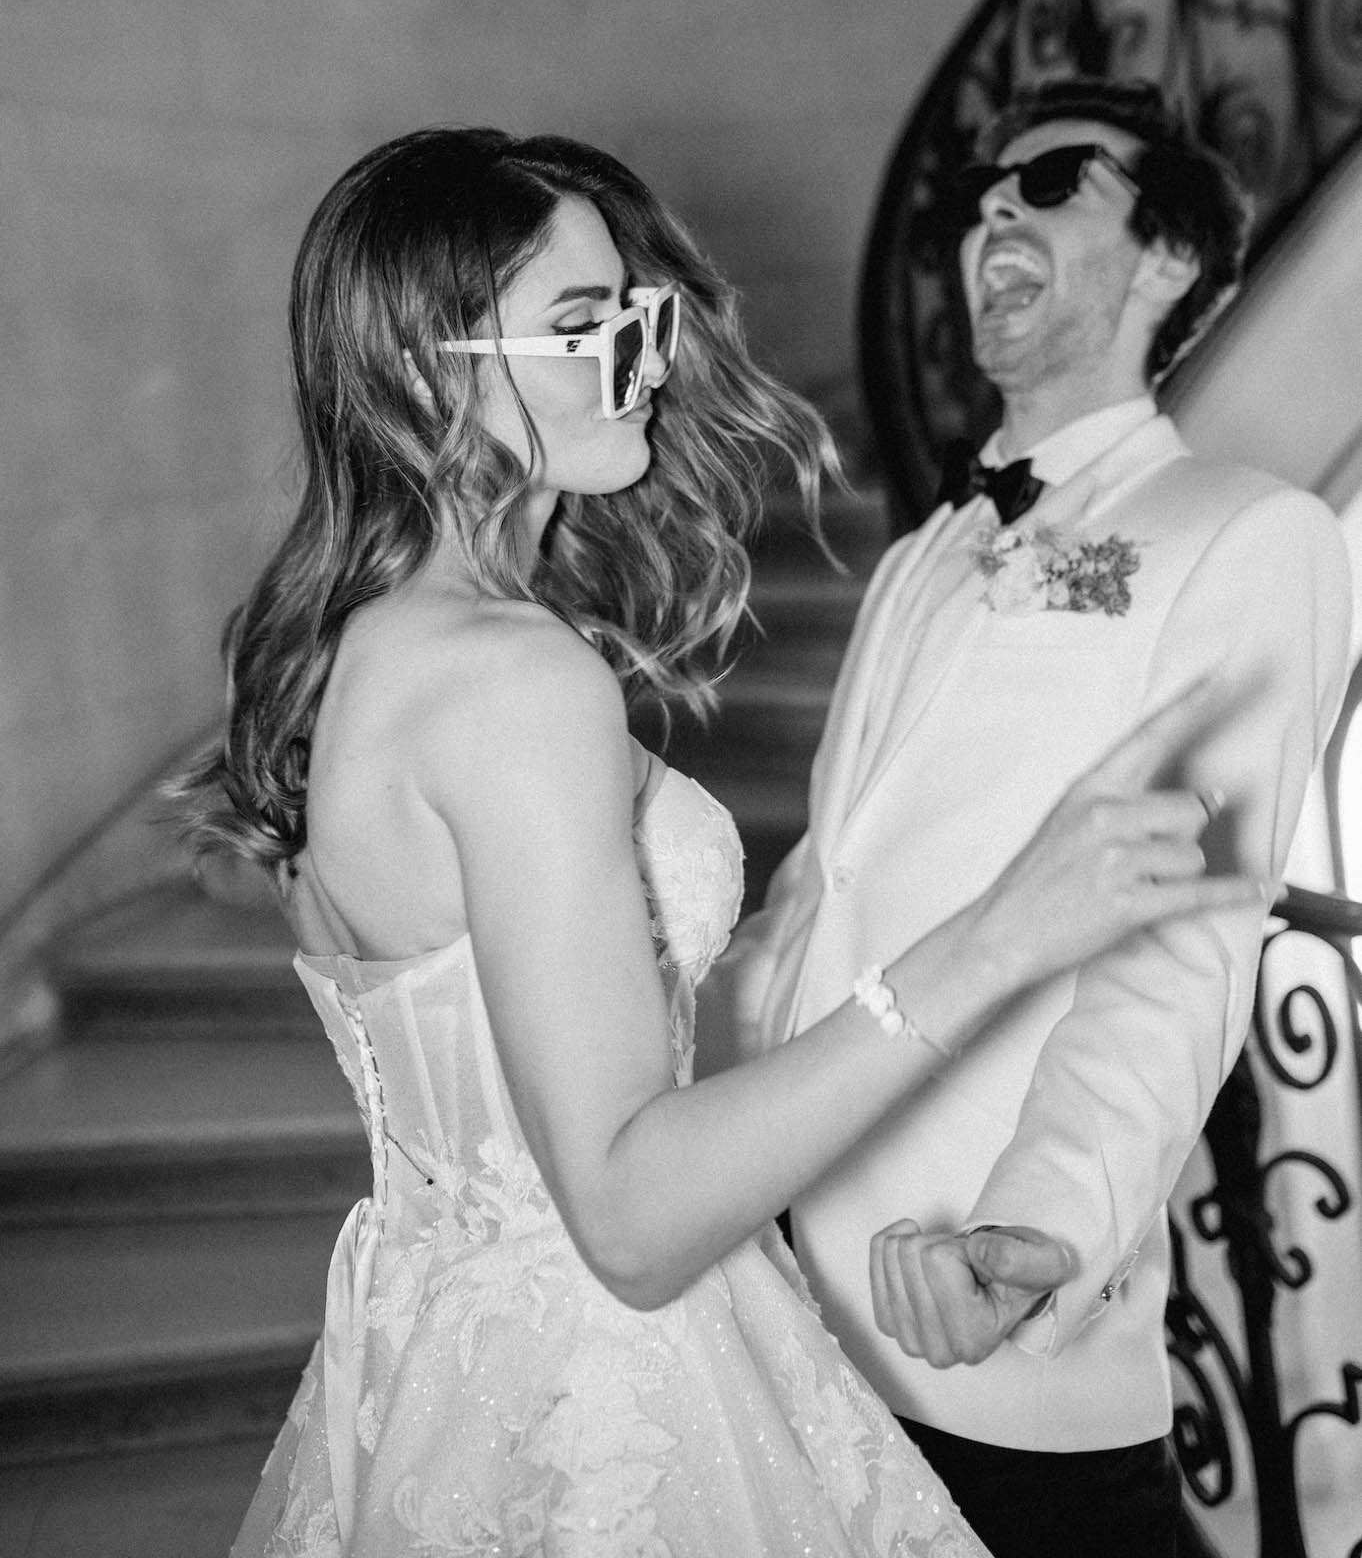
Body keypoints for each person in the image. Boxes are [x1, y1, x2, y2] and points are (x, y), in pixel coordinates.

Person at [175, 125, 1255, 1558]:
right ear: (428, 373)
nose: (641, 352)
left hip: (441, 1365)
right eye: (578, 325)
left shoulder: (358, 657)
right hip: (612, 1386)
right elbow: (625, 1217)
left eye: (635, 311)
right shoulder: (513, 678)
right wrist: (997, 939)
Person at [704, 77, 1354, 1558]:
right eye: (976, 197)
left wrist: (1043, 1228)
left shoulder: (1247, 535)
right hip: (798, 1276)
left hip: (981, 1305)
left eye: (1053, 180)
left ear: (1169, 262)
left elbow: (1180, 945)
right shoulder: (925, 552)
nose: (993, 206)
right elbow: (835, 875)